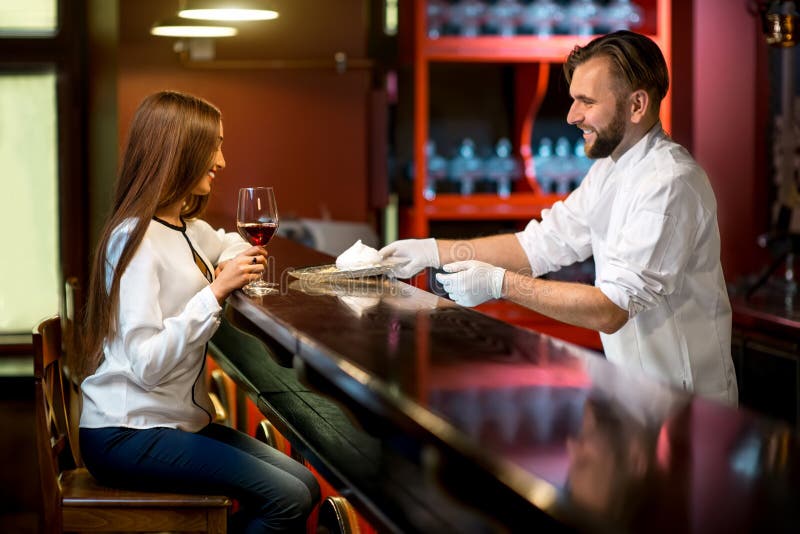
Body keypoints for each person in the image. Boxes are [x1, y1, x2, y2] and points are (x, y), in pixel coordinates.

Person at [380, 30, 738, 405]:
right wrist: (432, 251)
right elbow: (538, 245)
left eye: (586, 101)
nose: (572, 116)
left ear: (637, 105)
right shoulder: (610, 171)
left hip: (688, 408)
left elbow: (610, 309)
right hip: (638, 401)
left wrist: (502, 285)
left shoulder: (669, 183)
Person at [79, 90, 320, 533]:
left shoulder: (186, 228)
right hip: (125, 432)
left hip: (176, 422)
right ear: (180, 151)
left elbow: (231, 241)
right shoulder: (134, 241)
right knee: (285, 499)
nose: (223, 161)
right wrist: (215, 291)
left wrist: (228, 261)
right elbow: (146, 366)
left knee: (305, 485)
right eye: (215, 146)